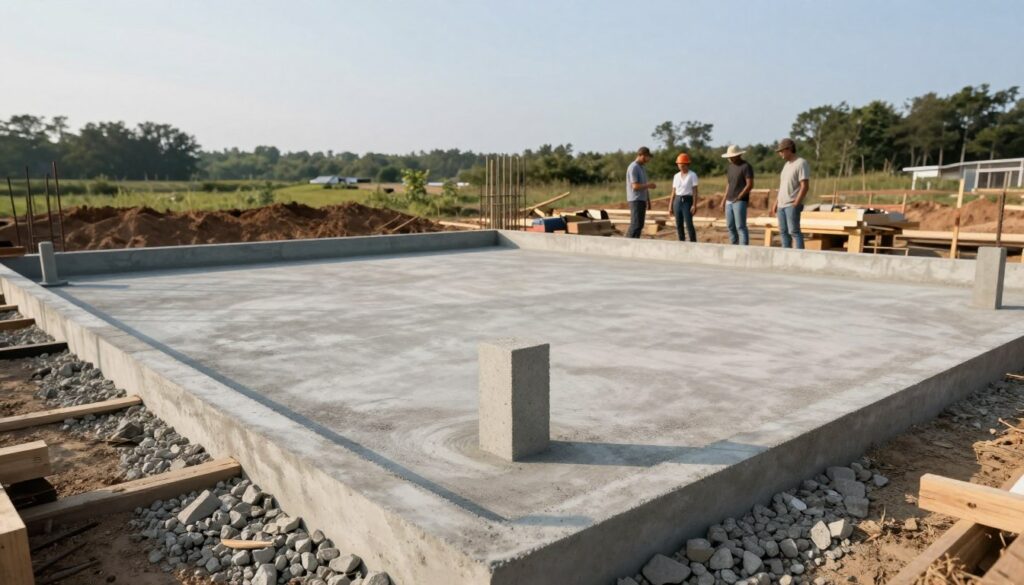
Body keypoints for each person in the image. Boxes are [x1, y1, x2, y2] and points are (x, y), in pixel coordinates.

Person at [771, 138, 810, 249]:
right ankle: (786, 255)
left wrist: (796, 203)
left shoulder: (801, 163)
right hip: (781, 205)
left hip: (791, 204)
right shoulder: (786, 165)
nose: (780, 153)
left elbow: (804, 186)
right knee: (783, 232)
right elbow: (782, 186)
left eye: (781, 151)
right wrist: (776, 203)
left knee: (794, 231)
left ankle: (799, 256)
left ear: (789, 149)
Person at [721, 145, 753, 245]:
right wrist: (723, 200)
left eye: (732, 156)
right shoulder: (730, 167)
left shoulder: (746, 166)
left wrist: (739, 197)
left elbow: (749, 185)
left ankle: (743, 250)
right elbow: (729, 184)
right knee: (730, 226)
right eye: (729, 156)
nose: (730, 158)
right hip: (729, 201)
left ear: (738, 155)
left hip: (740, 201)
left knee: (740, 226)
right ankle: (734, 247)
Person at [625, 147, 656, 238]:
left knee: (639, 225)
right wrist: (649, 185)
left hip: (641, 200)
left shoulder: (641, 168)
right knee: (635, 225)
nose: (648, 159)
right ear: (642, 155)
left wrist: (648, 200)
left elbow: (644, 184)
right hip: (636, 200)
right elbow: (635, 186)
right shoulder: (633, 167)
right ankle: (627, 243)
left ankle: (635, 243)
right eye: (647, 157)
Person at [669, 153, 699, 242]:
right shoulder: (676, 176)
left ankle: (693, 242)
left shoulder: (692, 175)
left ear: (687, 164)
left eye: (682, 165)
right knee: (679, 224)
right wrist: (670, 205)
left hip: (687, 201)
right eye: (679, 165)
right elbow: (673, 192)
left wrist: (694, 204)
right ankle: (681, 242)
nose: (680, 167)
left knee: (689, 223)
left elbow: (695, 191)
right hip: (677, 201)